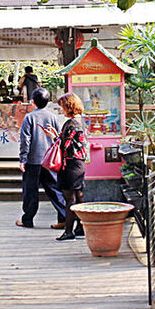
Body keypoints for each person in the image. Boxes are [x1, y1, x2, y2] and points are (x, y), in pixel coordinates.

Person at [16, 88, 65, 229]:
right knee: (55, 190)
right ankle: (63, 219)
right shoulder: (53, 117)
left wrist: (23, 159)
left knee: (30, 191)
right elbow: (58, 138)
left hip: (33, 161)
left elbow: (26, 140)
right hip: (50, 161)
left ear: (33, 102)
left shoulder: (29, 117)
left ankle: (28, 220)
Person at [55, 92, 89, 241]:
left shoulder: (71, 124)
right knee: (78, 196)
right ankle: (81, 227)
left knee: (70, 198)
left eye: (62, 106)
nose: (61, 109)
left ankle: (69, 231)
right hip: (79, 163)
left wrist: (54, 138)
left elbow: (65, 145)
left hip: (70, 165)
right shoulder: (80, 122)